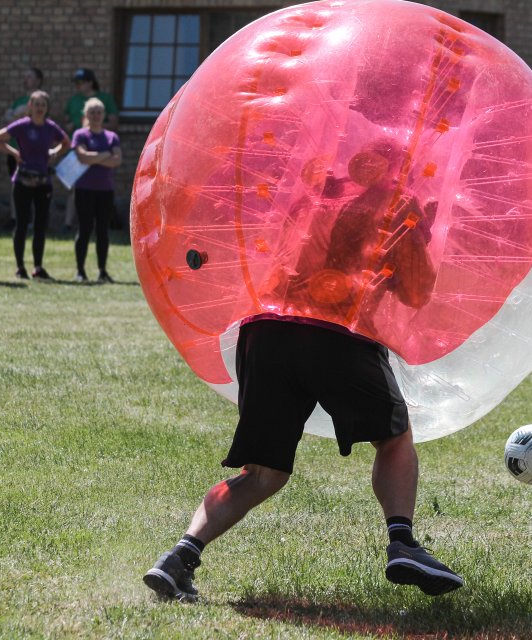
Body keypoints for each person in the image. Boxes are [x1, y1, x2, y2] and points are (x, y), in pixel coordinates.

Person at [142, 138, 463, 602]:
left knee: (262, 473)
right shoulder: (395, 205)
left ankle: (179, 557)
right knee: (393, 440)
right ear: (397, 168)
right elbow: (415, 292)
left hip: (266, 332)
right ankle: (402, 542)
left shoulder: (314, 195)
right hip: (337, 331)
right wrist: (419, 235)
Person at [0, 90, 70, 280]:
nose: (40, 108)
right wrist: (14, 153)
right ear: (30, 107)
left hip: (43, 182)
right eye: (36, 104)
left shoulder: (51, 127)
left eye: (43, 104)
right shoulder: (22, 126)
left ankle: (38, 267)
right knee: (22, 224)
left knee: (41, 226)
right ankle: (20, 267)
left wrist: (55, 151)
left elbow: (66, 142)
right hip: (23, 181)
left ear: (47, 108)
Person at [62, 69, 120, 233]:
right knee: (75, 187)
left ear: (90, 82)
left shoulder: (105, 99)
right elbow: (66, 119)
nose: (77, 86)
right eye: (76, 83)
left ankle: (98, 224)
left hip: (100, 144)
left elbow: (114, 122)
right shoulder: (74, 100)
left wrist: (96, 128)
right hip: (80, 145)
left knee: (99, 188)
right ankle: (69, 223)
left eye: (80, 82)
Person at [71, 98, 122, 283]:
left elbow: (117, 160)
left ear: (104, 115)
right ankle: (80, 271)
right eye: (92, 112)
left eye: (99, 112)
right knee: (84, 229)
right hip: (84, 189)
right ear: (86, 115)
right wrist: (105, 155)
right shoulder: (80, 135)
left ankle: (102, 270)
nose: (95, 115)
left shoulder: (111, 137)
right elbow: (82, 157)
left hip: (105, 190)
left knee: (103, 231)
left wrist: (95, 158)